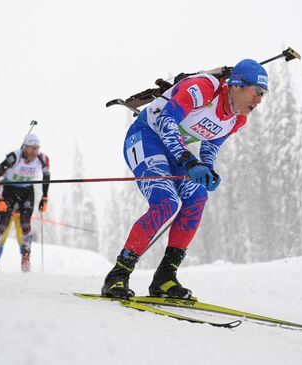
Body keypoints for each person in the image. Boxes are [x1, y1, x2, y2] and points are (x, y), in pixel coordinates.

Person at [101, 59, 268, 299]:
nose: (259, 100)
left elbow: (213, 142)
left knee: (197, 197)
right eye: (257, 92)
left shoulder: (238, 118)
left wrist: (207, 169)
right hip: (146, 136)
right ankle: (118, 275)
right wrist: (190, 161)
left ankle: (165, 278)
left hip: (176, 149)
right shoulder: (203, 88)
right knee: (166, 202)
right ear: (237, 85)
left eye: (264, 95)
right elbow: (166, 120)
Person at [0, 133, 50, 272]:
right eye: (31, 148)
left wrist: (44, 197)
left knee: (25, 225)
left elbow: (46, 177)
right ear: (24, 147)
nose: (34, 152)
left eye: (36, 148)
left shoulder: (42, 159)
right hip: (9, 191)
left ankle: (25, 258)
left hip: (27, 193)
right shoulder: (14, 157)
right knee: (4, 224)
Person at [0, 207, 23, 271]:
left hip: (19, 214)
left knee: (21, 237)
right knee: (2, 236)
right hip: (9, 212)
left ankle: (25, 259)